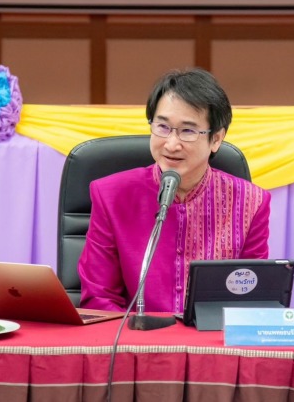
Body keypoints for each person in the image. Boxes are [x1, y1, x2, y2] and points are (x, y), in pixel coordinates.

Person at [78, 68, 271, 313]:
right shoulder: (111, 195)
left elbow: (251, 299)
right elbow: (99, 299)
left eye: (188, 131)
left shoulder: (251, 202)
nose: (171, 144)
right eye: (162, 127)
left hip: (211, 344)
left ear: (216, 139)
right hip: (134, 341)